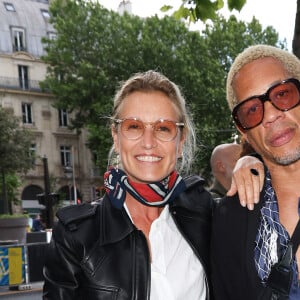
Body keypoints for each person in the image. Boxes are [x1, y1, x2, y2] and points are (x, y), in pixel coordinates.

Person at [43, 70, 262, 300]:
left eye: (163, 128)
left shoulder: (204, 212)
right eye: (134, 127)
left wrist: (252, 160)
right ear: (116, 138)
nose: (148, 143)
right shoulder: (76, 236)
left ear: (180, 141)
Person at [211, 45, 300, 299]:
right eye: (252, 110)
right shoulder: (229, 220)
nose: (271, 115)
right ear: (244, 131)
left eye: (283, 94)